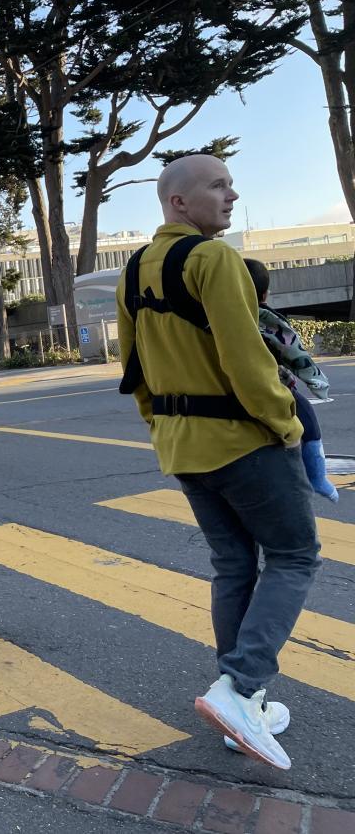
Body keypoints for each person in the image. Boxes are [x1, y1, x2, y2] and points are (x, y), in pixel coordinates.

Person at [116, 154, 320, 770]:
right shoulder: (214, 258)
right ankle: (239, 686)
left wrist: (164, 429)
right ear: (178, 202)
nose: (232, 194)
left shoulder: (133, 269)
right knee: (293, 555)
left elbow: (134, 371)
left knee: (233, 565)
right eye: (218, 185)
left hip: (183, 445)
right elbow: (247, 359)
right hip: (243, 439)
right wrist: (285, 424)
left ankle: (243, 707)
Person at [244, 258, 339, 503]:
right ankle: (318, 478)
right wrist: (317, 381)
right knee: (308, 422)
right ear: (264, 294)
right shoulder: (266, 317)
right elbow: (295, 353)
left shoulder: (212, 315)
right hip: (270, 384)